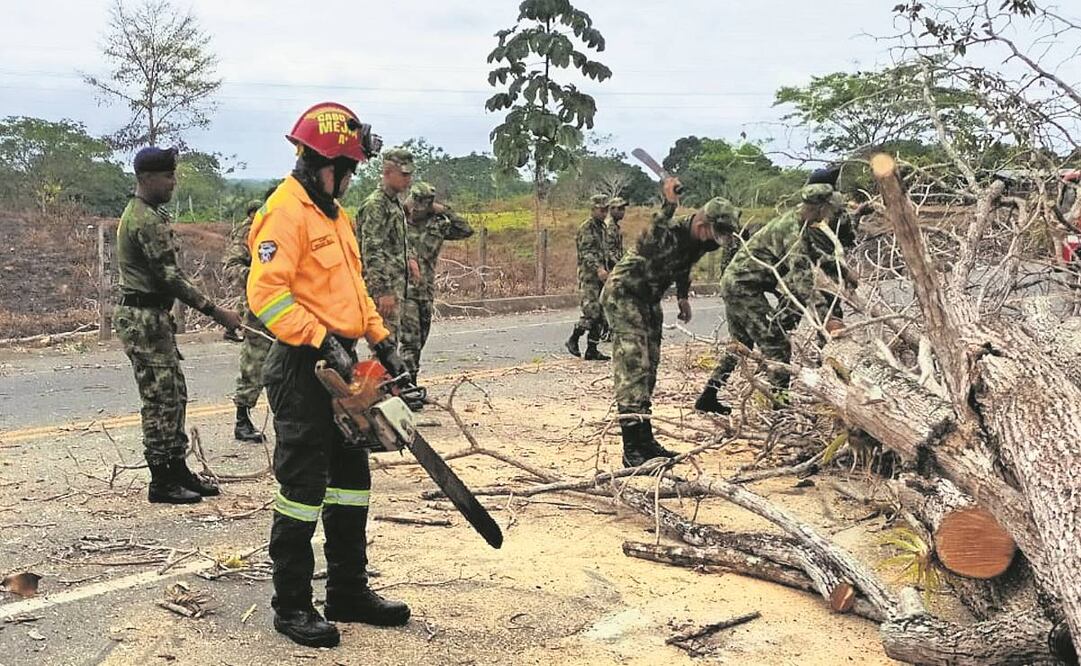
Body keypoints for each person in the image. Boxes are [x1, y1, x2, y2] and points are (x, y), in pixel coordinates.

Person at [247, 102, 413, 649]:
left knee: (351, 482)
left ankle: (347, 591)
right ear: (324, 164)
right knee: (302, 487)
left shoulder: (335, 216)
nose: (349, 180)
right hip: (301, 367)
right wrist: (318, 339)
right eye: (346, 171)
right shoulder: (285, 212)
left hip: (344, 358)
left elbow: (353, 290)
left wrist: (381, 342)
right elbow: (266, 297)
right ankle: (291, 604)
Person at [114, 146, 242, 505]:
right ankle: (162, 480)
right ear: (146, 178)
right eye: (168, 176)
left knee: (174, 396)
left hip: (153, 318)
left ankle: (177, 469)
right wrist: (217, 312)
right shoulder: (144, 220)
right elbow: (171, 278)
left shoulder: (148, 214)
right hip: (144, 319)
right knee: (159, 401)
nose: (173, 182)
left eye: (174, 175)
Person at [694, 172, 864, 415]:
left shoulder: (802, 220)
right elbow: (802, 280)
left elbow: (813, 252)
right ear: (821, 208)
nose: (831, 215)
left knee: (741, 344)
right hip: (743, 287)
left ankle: (708, 396)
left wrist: (844, 271)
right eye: (829, 209)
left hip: (738, 283)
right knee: (778, 346)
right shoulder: (793, 230)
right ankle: (780, 411)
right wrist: (827, 317)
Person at [602, 178, 741, 466]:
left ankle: (645, 441)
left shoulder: (701, 243)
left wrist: (682, 297)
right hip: (625, 293)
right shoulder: (671, 230)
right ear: (704, 224)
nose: (719, 240)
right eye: (718, 232)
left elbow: (684, 265)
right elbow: (650, 233)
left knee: (650, 366)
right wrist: (669, 204)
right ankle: (632, 451)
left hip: (649, 298)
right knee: (633, 367)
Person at [400, 181, 474, 387]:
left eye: (423, 206)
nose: (416, 210)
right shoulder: (398, 221)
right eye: (414, 204)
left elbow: (466, 229)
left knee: (421, 336)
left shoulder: (437, 224)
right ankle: (407, 385)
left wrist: (444, 210)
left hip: (425, 290)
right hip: (403, 290)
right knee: (410, 341)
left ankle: (406, 382)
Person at [223, 197, 274, 442]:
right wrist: (259, 277)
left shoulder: (277, 227)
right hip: (257, 310)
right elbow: (231, 267)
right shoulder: (247, 232)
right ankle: (242, 420)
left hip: (285, 306)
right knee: (255, 365)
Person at [356, 148, 414, 344]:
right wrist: (383, 291)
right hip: (384, 289)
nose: (409, 179)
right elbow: (371, 251)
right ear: (388, 173)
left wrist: (410, 260)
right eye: (404, 174)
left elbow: (396, 242)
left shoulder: (394, 202)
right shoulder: (377, 205)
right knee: (384, 348)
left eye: (410, 174)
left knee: (391, 344)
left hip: (396, 285)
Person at [566, 194, 612, 360]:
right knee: (592, 312)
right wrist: (599, 269)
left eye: (606, 209)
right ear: (593, 209)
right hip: (590, 277)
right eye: (602, 210)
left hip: (602, 277)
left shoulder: (602, 227)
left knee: (601, 314)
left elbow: (605, 252)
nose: (605, 213)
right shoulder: (587, 228)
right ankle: (573, 338)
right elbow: (587, 253)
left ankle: (592, 349)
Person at [598, 196, 627, 342]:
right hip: (610, 269)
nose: (623, 212)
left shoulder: (614, 226)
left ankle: (610, 330)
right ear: (612, 210)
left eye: (623, 208)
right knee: (610, 300)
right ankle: (607, 330)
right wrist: (621, 264)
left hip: (615, 267)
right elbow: (608, 251)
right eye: (620, 209)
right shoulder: (609, 227)